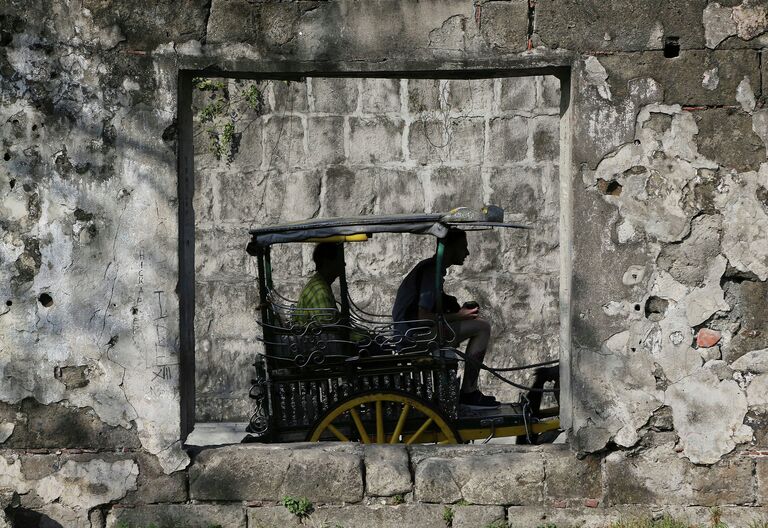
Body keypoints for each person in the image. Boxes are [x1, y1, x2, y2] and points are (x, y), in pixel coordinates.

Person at [392, 229, 498, 408]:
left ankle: (460, 391)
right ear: (449, 248)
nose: (467, 253)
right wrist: (459, 315)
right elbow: (422, 316)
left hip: (412, 332)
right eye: (463, 247)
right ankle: (469, 392)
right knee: (482, 327)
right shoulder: (431, 271)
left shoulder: (431, 269)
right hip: (414, 335)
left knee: (474, 325)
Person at [294, 243, 345, 325]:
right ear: (328, 263)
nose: (344, 264)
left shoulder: (322, 284)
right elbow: (328, 330)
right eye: (339, 260)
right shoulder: (320, 292)